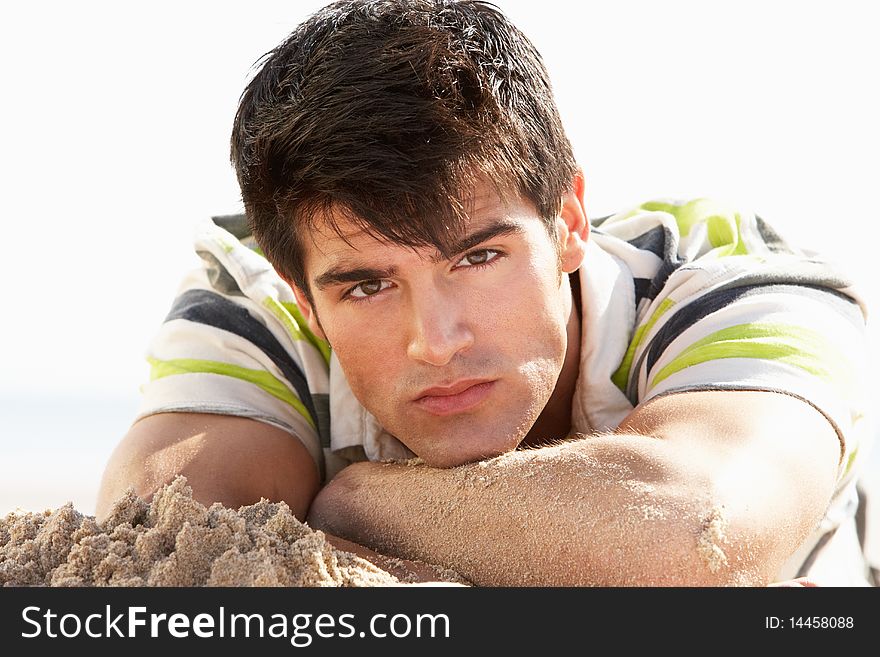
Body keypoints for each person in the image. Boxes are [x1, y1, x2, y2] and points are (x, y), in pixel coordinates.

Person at [96, 0, 875, 586]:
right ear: (301, 292)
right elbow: (161, 540)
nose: (435, 341)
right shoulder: (254, 304)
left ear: (569, 219)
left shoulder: (737, 280)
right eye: (367, 284)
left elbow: (695, 537)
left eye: (477, 257)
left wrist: (351, 502)